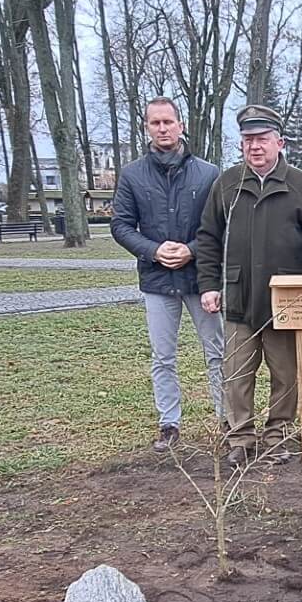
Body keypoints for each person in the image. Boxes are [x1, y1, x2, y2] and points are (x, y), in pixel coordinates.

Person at [194, 104, 302, 468]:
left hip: (286, 301)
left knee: (285, 375)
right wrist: (208, 284)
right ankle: (240, 437)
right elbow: (208, 237)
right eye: (248, 139)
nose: (255, 146)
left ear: (279, 142)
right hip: (238, 298)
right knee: (236, 373)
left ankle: (277, 436)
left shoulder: (301, 185)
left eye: (262, 139)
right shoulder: (228, 184)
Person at [111, 97, 225, 452]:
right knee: (162, 356)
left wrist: (191, 249)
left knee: (217, 352)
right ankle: (169, 424)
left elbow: (219, 225)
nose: (162, 129)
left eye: (168, 122)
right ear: (147, 127)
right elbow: (121, 224)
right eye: (155, 123)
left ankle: (227, 419)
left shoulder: (209, 173)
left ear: (181, 125)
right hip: (157, 281)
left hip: (200, 279)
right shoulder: (132, 175)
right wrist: (153, 250)